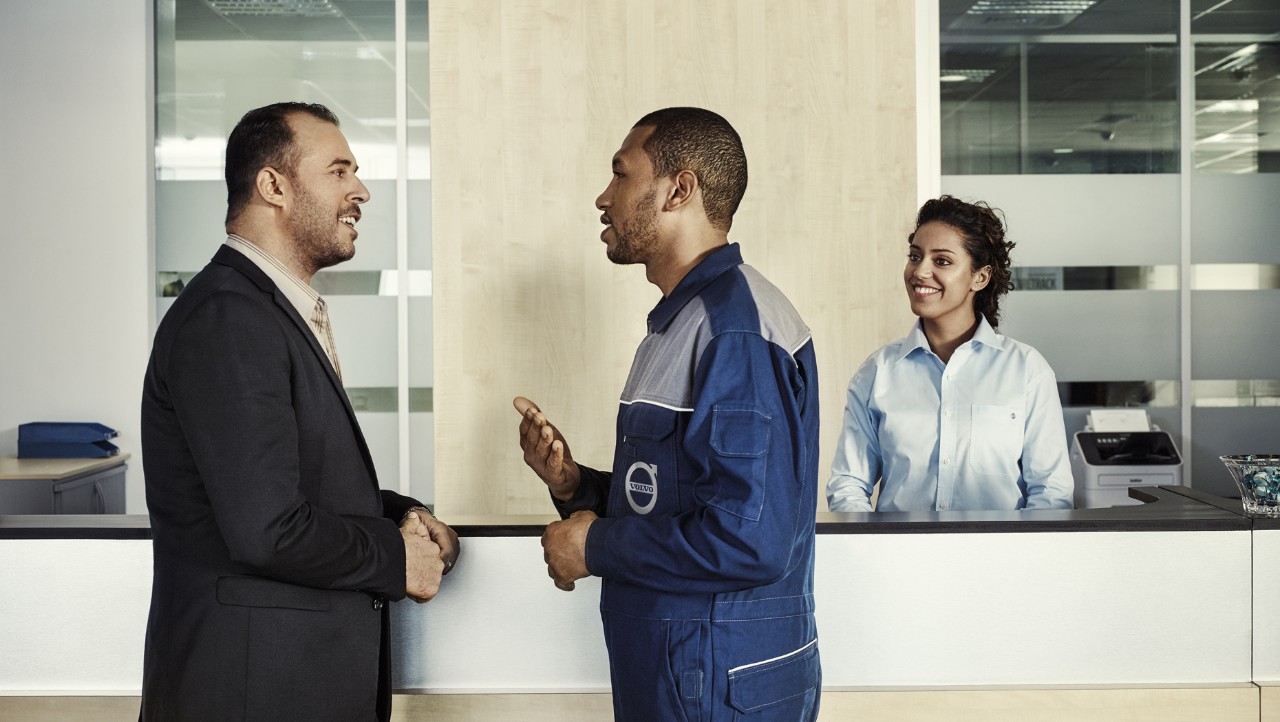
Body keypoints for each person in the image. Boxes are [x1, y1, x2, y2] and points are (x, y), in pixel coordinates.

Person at [139, 102, 459, 721]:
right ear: (273, 186)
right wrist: (396, 557)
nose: (360, 190)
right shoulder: (228, 318)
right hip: (251, 693)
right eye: (339, 171)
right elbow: (267, 529)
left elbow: (282, 479)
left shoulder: (268, 310)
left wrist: (401, 514)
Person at [514, 107, 821, 721]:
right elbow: (673, 500)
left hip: (714, 680)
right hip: (684, 674)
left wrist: (594, 546)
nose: (604, 198)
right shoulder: (681, 322)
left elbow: (748, 539)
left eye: (621, 175)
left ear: (679, 189)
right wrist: (576, 486)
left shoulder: (733, 332)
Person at [826, 195, 1074, 512]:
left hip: (1002, 560)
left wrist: (1016, 558)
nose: (920, 272)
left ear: (980, 277)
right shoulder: (878, 372)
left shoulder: (1026, 370)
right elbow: (847, 487)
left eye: (941, 261)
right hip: (899, 560)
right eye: (915, 256)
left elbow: (1051, 493)